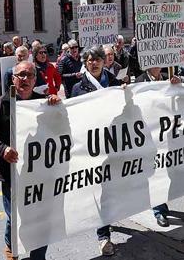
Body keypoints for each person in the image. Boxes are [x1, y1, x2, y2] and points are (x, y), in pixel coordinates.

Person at [0, 61, 61, 260]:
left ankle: (37, 257)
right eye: (21, 75)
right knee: (15, 217)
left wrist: (56, 106)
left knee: (41, 218)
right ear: (13, 78)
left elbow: (60, 128)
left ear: (35, 80)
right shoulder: (0, 104)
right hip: (11, 174)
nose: (25, 79)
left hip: (40, 174)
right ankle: (11, 246)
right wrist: (3, 149)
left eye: (29, 75)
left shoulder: (43, 104)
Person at [71, 46, 122, 256]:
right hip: (91, 148)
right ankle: (103, 236)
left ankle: (107, 223)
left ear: (104, 61)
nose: (94, 63)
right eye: (90, 60)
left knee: (112, 190)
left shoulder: (115, 84)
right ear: (85, 63)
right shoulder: (77, 88)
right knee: (100, 191)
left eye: (97, 60)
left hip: (114, 145)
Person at [135, 66, 184, 226]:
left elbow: (180, 100)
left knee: (166, 173)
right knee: (157, 174)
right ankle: (159, 210)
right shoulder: (140, 80)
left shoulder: (167, 78)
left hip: (167, 134)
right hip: (150, 135)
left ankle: (158, 202)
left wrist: (178, 86)